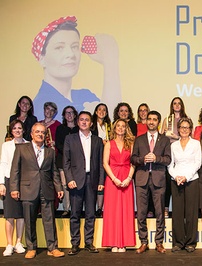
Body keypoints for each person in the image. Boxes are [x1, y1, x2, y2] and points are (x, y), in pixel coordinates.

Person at [32, 16, 121, 121]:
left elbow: (109, 123)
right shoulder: (41, 105)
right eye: (59, 48)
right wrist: (110, 62)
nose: (70, 54)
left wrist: (109, 61)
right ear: (42, 58)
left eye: (74, 47)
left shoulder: (85, 95)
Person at [9, 122, 64, 259]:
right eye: (37, 132)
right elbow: (15, 170)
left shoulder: (50, 152)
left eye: (43, 132)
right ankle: (31, 248)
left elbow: (54, 172)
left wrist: (59, 187)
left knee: (49, 220)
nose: (40, 134)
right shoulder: (21, 148)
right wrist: (14, 188)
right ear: (32, 134)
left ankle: (53, 248)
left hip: (46, 189)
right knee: (29, 219)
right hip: (28, 189)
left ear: (45, 135)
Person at [63, 111, 104, 255]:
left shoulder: (98, 141)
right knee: (74, 213)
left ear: (91, 123)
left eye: (87, 120)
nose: (84, 122)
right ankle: (75, 244)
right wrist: (69, 179)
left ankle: (89, 242)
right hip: (75, 181)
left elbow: (100, 164)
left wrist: (100, 181)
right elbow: (66, 162)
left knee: (90, 214)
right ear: (77, 122)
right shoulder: (70, 139)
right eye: (81, 120)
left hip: (91, 180)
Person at [131, 110, 171, 254]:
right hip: (141, 179)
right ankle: (143, 242)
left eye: (154, 119)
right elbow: (133, 158)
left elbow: (168, 159)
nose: (152, 121)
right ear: (146, 121)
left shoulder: (165, 140)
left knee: (160, 213)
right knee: (141, 213)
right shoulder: (139, 139)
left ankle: (159, 243)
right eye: (149, 119)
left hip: (158, 179)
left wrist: (156, 158)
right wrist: (143, 160)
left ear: (158, 122)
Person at [168, 118, 202, 253]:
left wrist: (186, 177)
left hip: (192, 180)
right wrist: (176, 176)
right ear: (178, 128)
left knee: (191, 213)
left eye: (187, 127)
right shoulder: (173, 145)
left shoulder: (196, 144)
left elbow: (197, 163)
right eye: (182, 127)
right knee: (177, 212)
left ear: (191, 129)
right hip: (176, 180)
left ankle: (191, 242)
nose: (184, 129)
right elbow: (170, 165)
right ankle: (178, 242)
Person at [102, 119, 136, 252]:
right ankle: (113, 242)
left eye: (123, 126)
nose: (121, 128)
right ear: (114, 128)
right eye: (118, 126)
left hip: (126, 178)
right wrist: (114, 179)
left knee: (126, 210)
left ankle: (124, 243)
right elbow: (105, 163)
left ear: (126, 128)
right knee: (112, 211)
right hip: (112, 179)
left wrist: (129, 178)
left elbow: (133, 163)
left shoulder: (131, 143)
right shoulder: (108, 144)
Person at [0, 120, 27, 256]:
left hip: (24, 182)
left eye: (20, 128)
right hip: (9, 180)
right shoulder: (6, 145)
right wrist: (1, 183)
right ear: (11, 131)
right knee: (10, 215)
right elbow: (3, 163)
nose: (17, 130)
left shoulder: (28, 144)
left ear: (23, 130)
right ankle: (9, 244)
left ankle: (18, 242)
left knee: (21, 215)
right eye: (14, 128)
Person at [160, 97, 188, 218]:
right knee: (168, 181)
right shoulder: (167, 119)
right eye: (174, 103)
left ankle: (182, 209)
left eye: (179, 104)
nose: (177, 105)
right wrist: (164, 133)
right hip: (169, 152)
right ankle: (166, 208)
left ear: (182, 106)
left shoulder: (186, 120)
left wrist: (176, 137)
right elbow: (161, 136)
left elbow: (187, 137)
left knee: (183, 181)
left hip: (182, 153)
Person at [55, 106, 79, 217]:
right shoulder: (60, 128)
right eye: (67, 113)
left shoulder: (79, 129)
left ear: (75, 115)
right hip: (63, 161)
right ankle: (66, 209)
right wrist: (68, 151)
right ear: (64, 115)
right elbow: (58, 144)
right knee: (65, 185)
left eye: (71, 113)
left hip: (78, 162)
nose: (69, 115)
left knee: (77, 184)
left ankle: (76, 209)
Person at [91, 103, 112, 217]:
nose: (102, 112)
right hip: (94, 154)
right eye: (99, 109)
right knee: (94, 180)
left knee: (102, 181)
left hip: (106, 154)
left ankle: (100, 207)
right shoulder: (91, 124)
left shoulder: (109, 126)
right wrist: (101, 142)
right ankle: (92, 207)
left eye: (104, 110)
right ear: (95, 112)